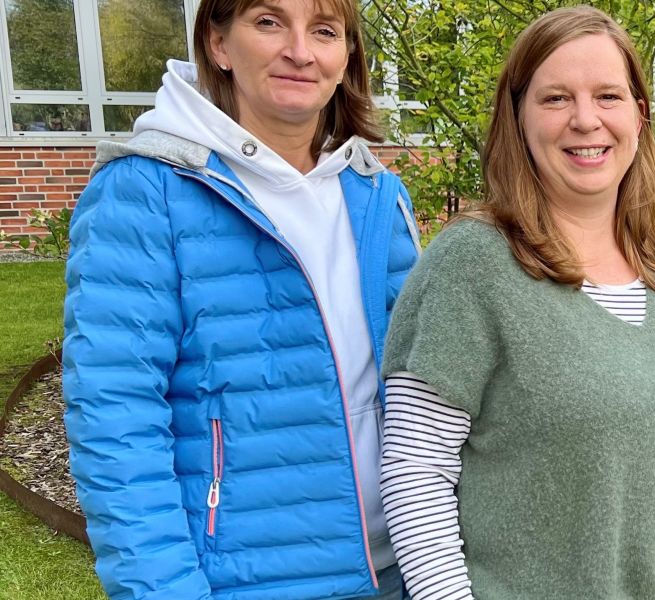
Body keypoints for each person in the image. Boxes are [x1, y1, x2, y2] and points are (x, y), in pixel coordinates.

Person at [376, 7, 655, 600]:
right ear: (518, 117)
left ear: (639, 115)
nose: (585, 120)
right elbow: (416, 474)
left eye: (608, 96)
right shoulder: (473, 264)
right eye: (555, 99)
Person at [62, 0, 420, 598]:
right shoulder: (147, 191)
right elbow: (115, 424)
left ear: (346, 57)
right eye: (269, 22)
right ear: (219, 43)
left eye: (325, 31)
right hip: (246, 579)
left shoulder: (375, 192)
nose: (300, 52)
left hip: (401, 566)